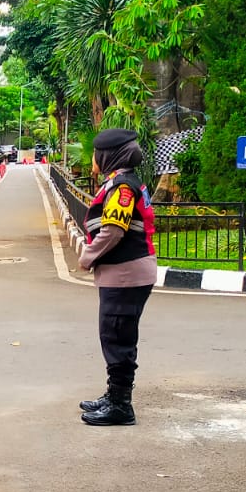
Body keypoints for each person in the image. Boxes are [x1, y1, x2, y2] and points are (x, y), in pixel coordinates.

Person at [71, 128, 158, 429]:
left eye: (97, 152)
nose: (93, 158)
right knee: (114, 336)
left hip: (126, 273)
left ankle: (121, 405)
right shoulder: (121, 183)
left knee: (117, 338)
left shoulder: (122, 187)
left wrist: (87, 256)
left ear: (107, 155)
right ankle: (114, 395)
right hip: (123, 273)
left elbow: (113, 230)